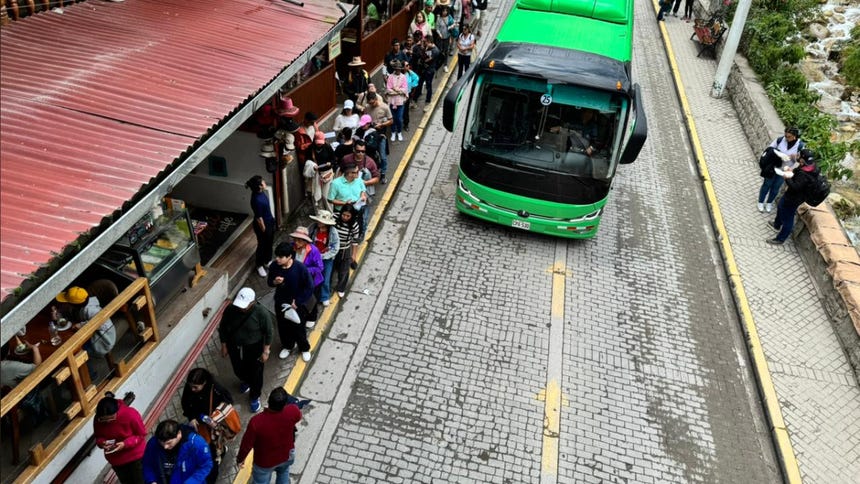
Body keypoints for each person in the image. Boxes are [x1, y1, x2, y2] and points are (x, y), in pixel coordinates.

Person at [218, 287, 273, 413]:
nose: (240, 308)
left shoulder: (261, 313)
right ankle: (246, 380)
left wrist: (266, 351)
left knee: (256, 371)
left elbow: (269, 332)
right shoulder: (231, 309)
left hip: (254, 346)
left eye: (244, 306)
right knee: (238, 367)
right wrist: (224, 344)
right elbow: (223, 327)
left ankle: (255, 395)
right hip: (234, 344)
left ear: (252, 303)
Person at [236, 387, 302, 484]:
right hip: (286, 455)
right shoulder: (292, 411)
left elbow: (246, 445)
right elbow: (298, 417)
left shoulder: (256, 422)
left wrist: (240, 459)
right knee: (283, 473)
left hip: (264, 462)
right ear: (285, 404)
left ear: (268, 400)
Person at [180, 368, 234, 482]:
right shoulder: (190, 388)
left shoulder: (216, 389)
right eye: (191, 386)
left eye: (196, 387)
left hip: (214, 425)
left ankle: (217, 457)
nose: (192, 389)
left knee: (212, 450)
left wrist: (215, 417)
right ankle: (220, 451)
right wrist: (192, 417)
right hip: (199, 424)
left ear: (204, 383)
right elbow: (185, 403)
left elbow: (228, 402)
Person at [268, 243, 315, 362]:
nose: (277, 259)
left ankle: (304, 348)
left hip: (296, 305)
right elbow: (269, 282)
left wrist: (298, 301)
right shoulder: (274, 266)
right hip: (281, 302)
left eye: (280, 257)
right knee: (283, 327)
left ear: (289, 256)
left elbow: (309, 287)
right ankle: (288, 346)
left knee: (299, 327)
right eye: (277, 256)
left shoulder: (300, 268)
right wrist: (275, 282)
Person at [53, 286, 116, 367]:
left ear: (74, 304)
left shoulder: (91, 310)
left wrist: (81, 325)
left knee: (76, 354)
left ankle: (91, 374)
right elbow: (68, 312)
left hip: (103, 340)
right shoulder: (83, 304)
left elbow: (104, 324)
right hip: (92, 335)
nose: (66, 303)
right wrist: (57, 314)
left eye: (67, 302)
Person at [93, 392, 147, 484]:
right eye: (104, 419)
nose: (107, 422)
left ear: (117, 411)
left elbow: (141, 434)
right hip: (117, 461)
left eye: (111, 418)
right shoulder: (98, 420)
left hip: (136, 457)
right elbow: (98, 437)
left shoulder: (130, 414)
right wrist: (102, 443)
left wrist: (125, 444)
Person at [768, 148, 819, 245]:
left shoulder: (805, 175)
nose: (797, 156)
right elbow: (799, 171)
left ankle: (780, 239)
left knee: (788, 218)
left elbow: (795, 186)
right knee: (780, 206)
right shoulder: (809, 166)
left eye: (799, 156)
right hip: (792, 195)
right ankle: (777, 224)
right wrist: (792, 171)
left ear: (803, 160)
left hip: (794, 198)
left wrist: (787, 178)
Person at [142, 419, 213, 484]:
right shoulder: (153, 443)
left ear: (179, 434)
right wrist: (151, 480)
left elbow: (206, 465)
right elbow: (148, 464)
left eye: (169, 443)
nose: (165, 447)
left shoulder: (196, 444)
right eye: (161, 443)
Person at [758, 127, 804, 213]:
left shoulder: (800, 146)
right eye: (785, 135)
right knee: (767, 184)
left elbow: (801, 159)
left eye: (789, 136)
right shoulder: (780, 140)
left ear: (795, 136)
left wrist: (794, 157)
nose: (786, 138)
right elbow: (770, 149)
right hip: (773, 167)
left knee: (776, 188)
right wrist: (779, 154)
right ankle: (760, 202)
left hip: (784, 170)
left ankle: (769, 203)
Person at [338, 143, 379, 239]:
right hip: (348, 193)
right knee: (347, 214)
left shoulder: (370, 162)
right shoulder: (346, 159)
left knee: (363, 217)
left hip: (363, 195)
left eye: (363, 151)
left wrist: (365, 182)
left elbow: (376, 178)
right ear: (353, 150)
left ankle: (361, 233)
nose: (360, 153)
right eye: (358, 151)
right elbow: (340, 171)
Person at [290, 226, 324, 328]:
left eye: (299, 240)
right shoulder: (291, 247)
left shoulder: (314, 250)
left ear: (305, 241)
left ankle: (312, 317)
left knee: (311, 300)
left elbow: (320, 267)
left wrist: (304, 271)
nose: (296, 242)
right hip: (298, 281)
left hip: (312, 281)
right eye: (295, 239)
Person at [245, 175, 276, 278]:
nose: (264, 182)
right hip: (263, 225)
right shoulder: (256, 200)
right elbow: (259, 218)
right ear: (259, 186)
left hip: (269, 221)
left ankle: (267, 260)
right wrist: (264, 230)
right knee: (262, 245)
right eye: (262, 182)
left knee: (269, 243)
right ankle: (259, 265)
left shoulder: (261, 193)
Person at [309, 210, 340, 307]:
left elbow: (335, 248)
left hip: (326, 259)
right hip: (313, 258)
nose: (318, 222)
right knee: (312, 277)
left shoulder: (333, 232)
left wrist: (323, 256)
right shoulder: (313, 228)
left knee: (325, 279)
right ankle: (313, 295)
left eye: (320, 221)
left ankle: (325, 297)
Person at [333, 204, 362, 298]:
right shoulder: (334, 217)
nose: (345, 217)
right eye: (343, 215)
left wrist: (354, 255)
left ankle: (341, 288)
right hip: (333, 248)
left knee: (344, 271)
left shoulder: (354, 225)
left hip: (344, 250)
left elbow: (355, 241)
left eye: (348, 216)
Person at [366, 93, 393, 182]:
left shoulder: (385, 107)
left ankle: (383, 173)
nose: (372, 105)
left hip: (381, 135)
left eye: (373, 103)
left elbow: (391, 120)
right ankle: (374, 171)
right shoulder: (367, 108)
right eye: (370, 104)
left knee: (383, 156)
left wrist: (381, 124)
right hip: (371, 134)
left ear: (376, 99)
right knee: (371, 155)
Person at [311, 131, 337, 212]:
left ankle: (330, 214)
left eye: (321, 143)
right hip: (316, 174)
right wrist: (313, 165)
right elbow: (308, 160)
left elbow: (334, 159)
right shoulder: (311, 149)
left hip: (327, 173)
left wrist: (330, 163)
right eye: (317, 143)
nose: (319, 144)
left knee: (326, 196)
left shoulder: (328, 147)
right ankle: (320, 214)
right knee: (317, 196)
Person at [386, 61, 409, 145]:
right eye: (396, 69)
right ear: (394, 69)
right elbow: (388, 89)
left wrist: (395, 89)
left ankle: (399, 132)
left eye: (399, 69)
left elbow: (405, 88)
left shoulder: (403, 77)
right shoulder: (390, 77)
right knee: (392, 118)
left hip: (400, 101)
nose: (398, 70)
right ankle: (393, 132)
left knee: (399, 118)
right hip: (392, 101)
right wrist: (398, 91)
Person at [434, 5, 454, 72]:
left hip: (447, 37)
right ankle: (437, 64)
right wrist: (439, 34)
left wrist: (450, 27)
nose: (445, 12)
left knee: (446, 51)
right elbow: (437, 27)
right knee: (439, 51)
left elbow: (453, 24)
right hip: (440, 38)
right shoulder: (439, 18)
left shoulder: (449, 17)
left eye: (446, 11)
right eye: (443, 11)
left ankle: (445, 65)